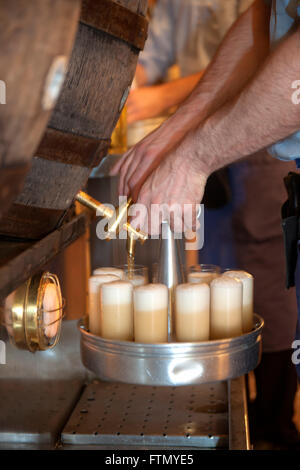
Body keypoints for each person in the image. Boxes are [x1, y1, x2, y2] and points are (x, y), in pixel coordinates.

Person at [112, 0, 300, 447]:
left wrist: (192, 155)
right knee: (219, 274)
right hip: (228, 142)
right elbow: (265, 19)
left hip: (254, 141)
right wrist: (180, 131)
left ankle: (272, 421)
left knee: (264, 278)